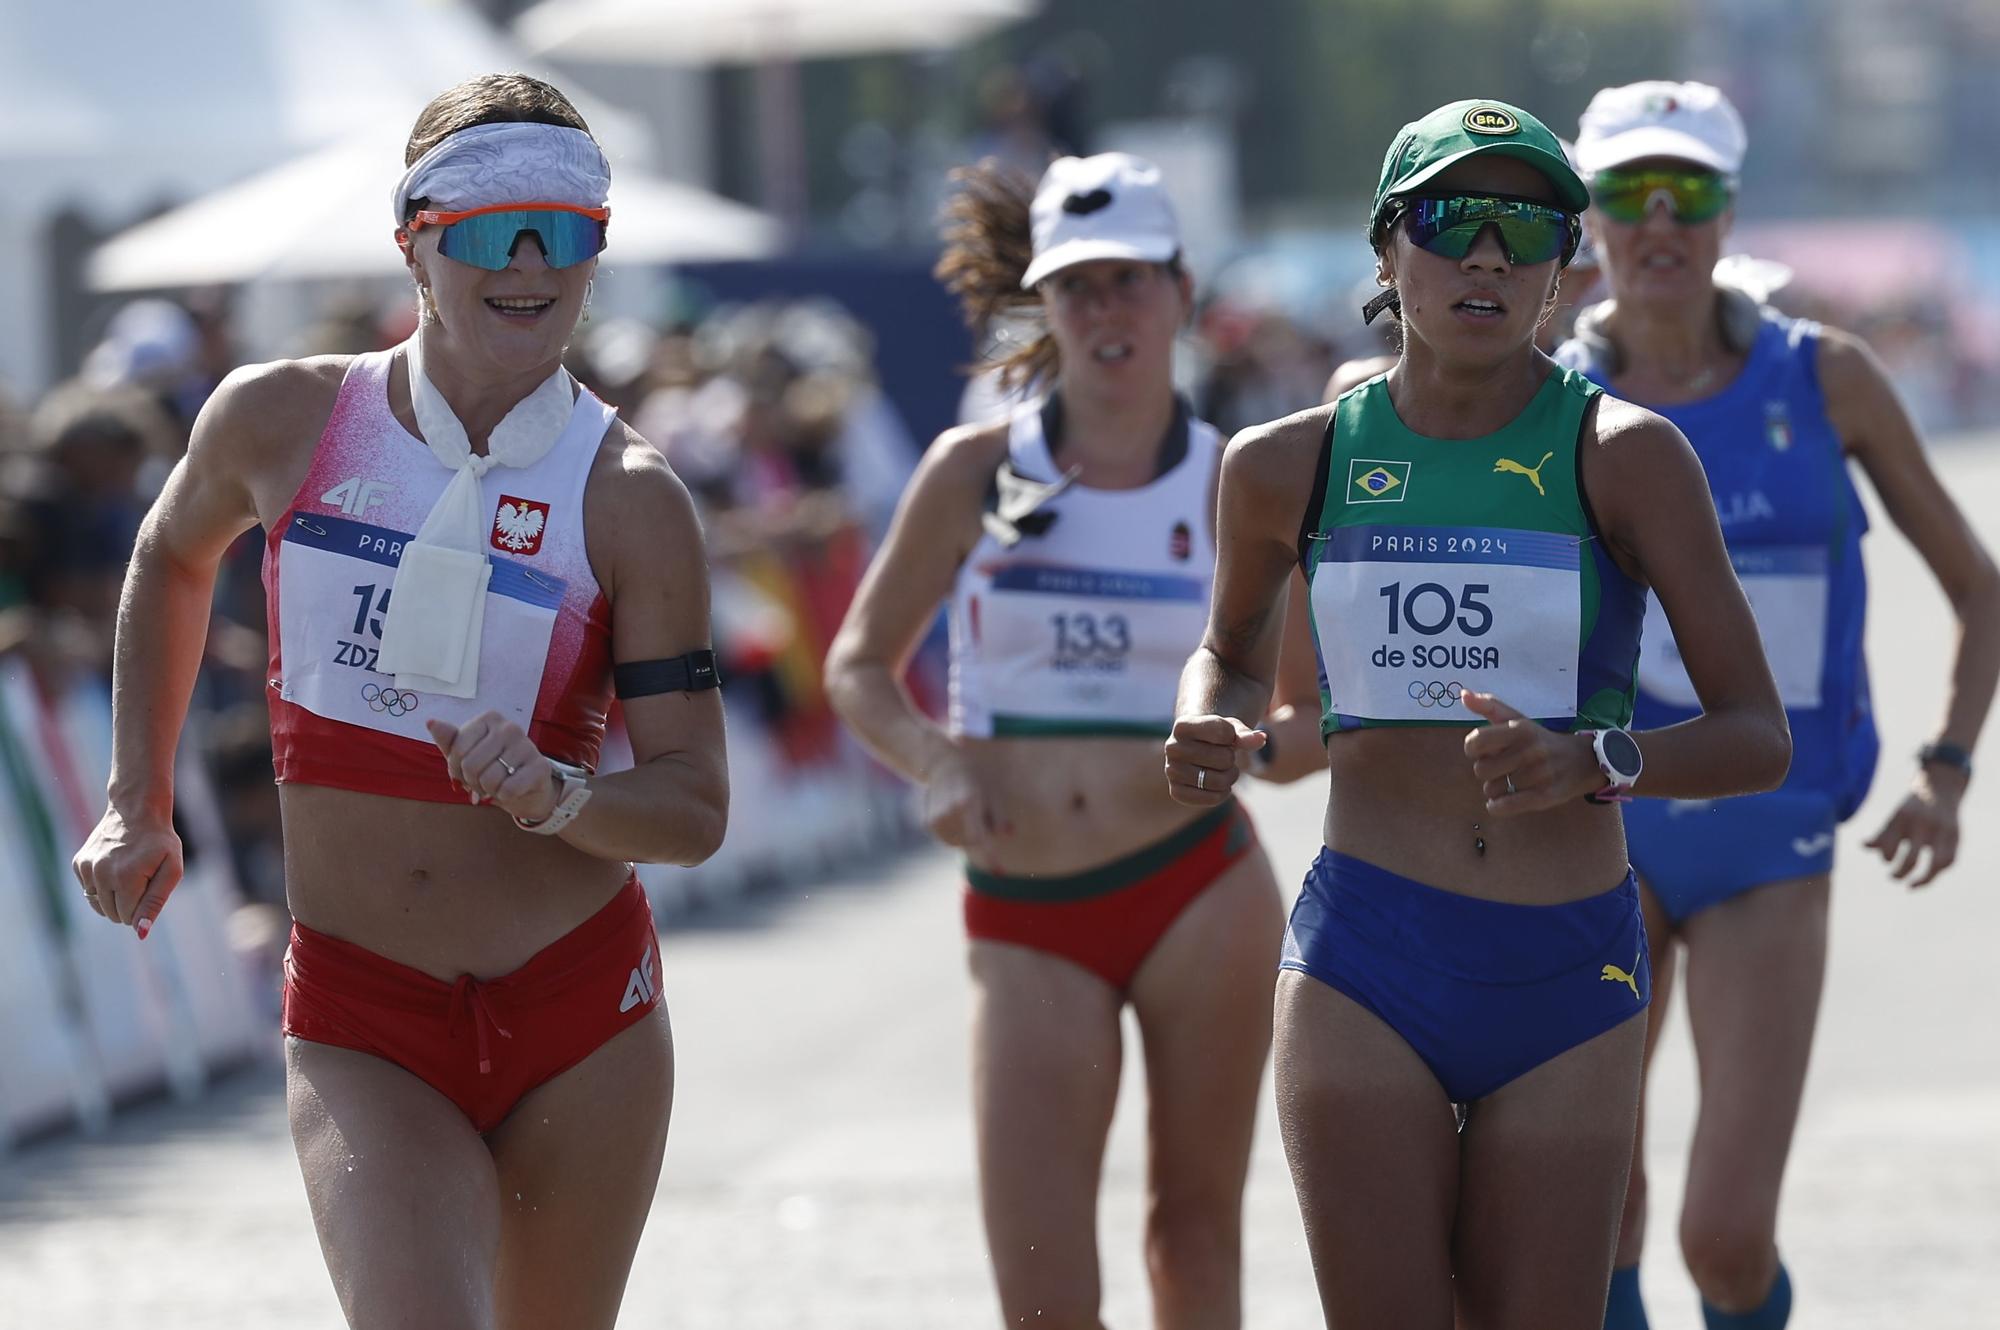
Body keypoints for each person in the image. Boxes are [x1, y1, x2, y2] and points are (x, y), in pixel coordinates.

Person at [71, 74, 727, 1329]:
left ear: (597, 250)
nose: (527, 262)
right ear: (414, 242)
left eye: (565, 229)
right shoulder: (281, 417)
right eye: (487, 228)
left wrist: (561, 794)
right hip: (366, 1016)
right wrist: (134, 800)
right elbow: (170, 554)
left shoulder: (632, 495)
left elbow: (694, 806)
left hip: (578, 1013)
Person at [1168, 99, 1794, 1327]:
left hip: (1562, 966)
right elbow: (1228, 658)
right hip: (1365, 956)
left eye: (1527, 228)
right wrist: (1206, 721)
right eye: (1455, 220)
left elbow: (1755, 735)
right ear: (1388, 246)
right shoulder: (1281, 461)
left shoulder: (1626, 454)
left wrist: (1594, 758)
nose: (1489, 258)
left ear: (1563, 269)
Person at [826, 153, 1306, 1329]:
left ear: (1179, 290)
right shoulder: (976, 468)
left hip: (1197, 889)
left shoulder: (1235, 478)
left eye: (1127, 280)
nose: (1103, 310)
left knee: (1192, 1239)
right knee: (1043, 1286)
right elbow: (855, 668)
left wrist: (1263, 744)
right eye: (1076, 285)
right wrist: (935, 762)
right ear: (1043, 302)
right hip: (1026, 907)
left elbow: (1311, 714)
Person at [1553, 81, 2000, 1330]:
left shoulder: (1826, 379)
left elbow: (1978, 587)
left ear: (1725, 208)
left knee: (1726, 1240)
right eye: (1626, 193)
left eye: (1684, 190)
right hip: (1605, 837)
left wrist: (1944, 770)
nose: (1656, 219)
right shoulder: (1544, 400)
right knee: (1598, 1211)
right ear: (1585, 217)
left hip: (1769, 840)